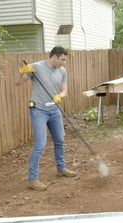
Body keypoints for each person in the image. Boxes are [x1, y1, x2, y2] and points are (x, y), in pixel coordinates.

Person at [15, 46, 77, 191]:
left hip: (54, 110)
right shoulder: (36, 67)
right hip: (38, 111)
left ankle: (61, 168)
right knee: (40, 144)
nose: (64, 62)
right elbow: (17, 83)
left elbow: (64, 91)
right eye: (62, 59)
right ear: (54, 57)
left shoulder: (62, 71)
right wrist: (21, 72)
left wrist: (59, 97)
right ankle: (32, 178)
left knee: (60, 139)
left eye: (65, 60)